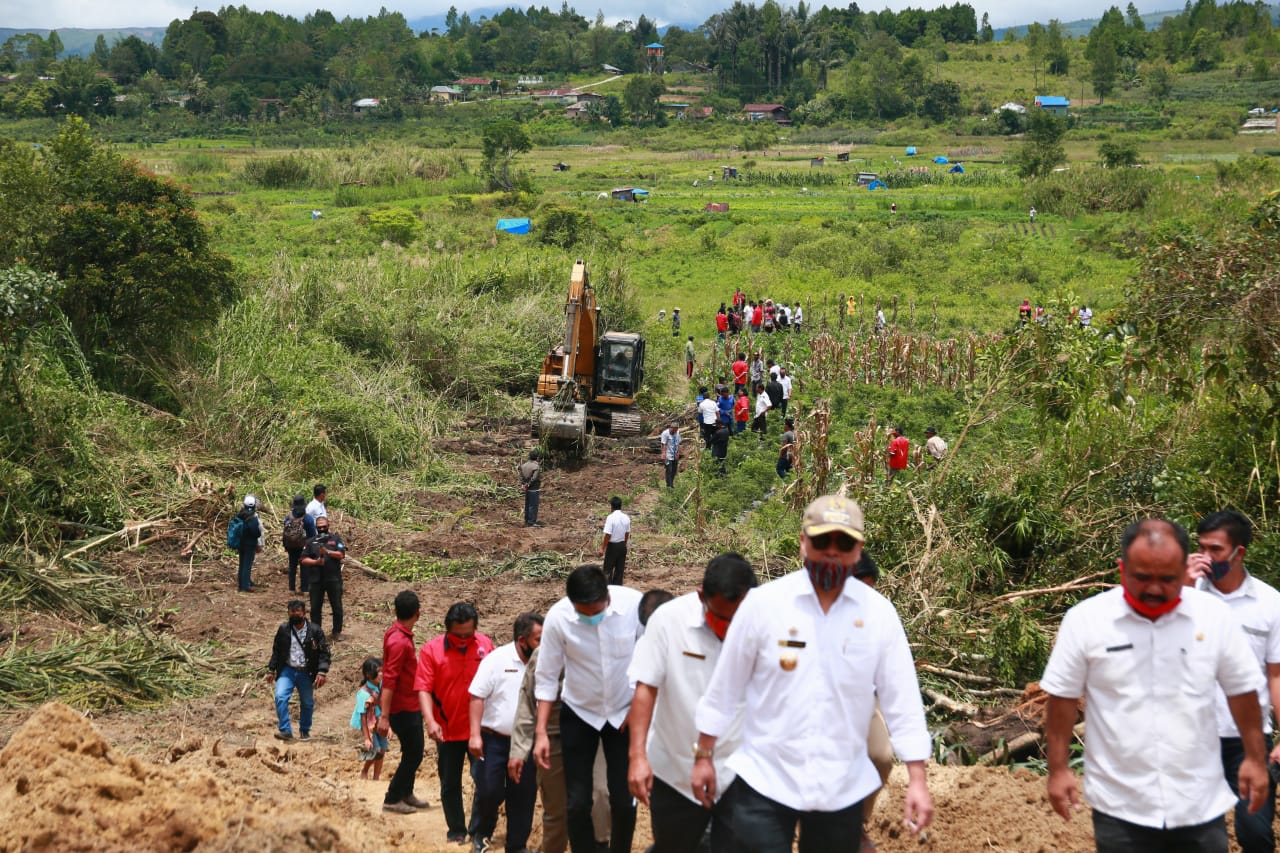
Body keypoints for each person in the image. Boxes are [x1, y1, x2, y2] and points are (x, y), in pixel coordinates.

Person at [692, 495, 933, 851]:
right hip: (765, 780)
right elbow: (724, 688)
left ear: (858, 548)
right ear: (804, 542)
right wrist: (704, 756)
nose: (832, 551)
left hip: (842, 786)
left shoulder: (880, 616)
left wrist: (917, 778)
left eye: (844, 542)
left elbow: (903, 701)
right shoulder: (763, 606)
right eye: (822, 541)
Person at [1041, 518, 1269, 852]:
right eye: (1142, 577)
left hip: (1199, 802)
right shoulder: (1086, 620)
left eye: (1167, 579)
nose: (1154, 589)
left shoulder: (1214, 617)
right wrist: (1058, 769)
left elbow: (1242, 691)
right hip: (1120, 805)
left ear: (1185, 570)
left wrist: (1254, 757)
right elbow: (1062, 698)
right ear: (1122, 568)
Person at [628, 554, 758, 853]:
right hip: (675, 770)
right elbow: (645, 687)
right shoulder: (668, 621)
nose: (727, 629)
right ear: (701, 596)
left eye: (736, 620)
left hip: (739, 769)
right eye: (719, 618)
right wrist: (637, 757)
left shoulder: (766, 621)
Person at [1185, 510, 1280, 853]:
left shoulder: (1269, 603)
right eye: (1200, 548)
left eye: (1215, 550)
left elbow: (1276, 675)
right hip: (1193, 737)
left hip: (1249, 740)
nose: (1206, 558)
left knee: (1254, 832)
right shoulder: (1184, 595)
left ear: (1239, 553)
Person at [535, 566, 644, 853]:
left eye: (596, 610)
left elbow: (651, 664)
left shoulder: (634, 606)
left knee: (623, 799)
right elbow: (546, 677)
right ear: (572, 604)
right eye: (584, 613)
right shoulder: (559, 618)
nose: (591, 617)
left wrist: (639, 709)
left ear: (608, 596)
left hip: (624, 713)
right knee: (577, 802)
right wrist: (541, 733)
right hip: (580, 713)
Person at [511, 642, 612, 853]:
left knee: (600, 798)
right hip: (554, 736)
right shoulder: (544, 654)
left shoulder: (606, 646)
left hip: (595, 735)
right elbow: (527, 703)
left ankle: (599, 846)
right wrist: (519, 751)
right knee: (558, 814)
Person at [416, 602, 494, 845]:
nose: (463, 639)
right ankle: (456, 830)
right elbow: (423, 689)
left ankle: (479, 830)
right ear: (447, 629)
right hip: (446, 729)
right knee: (450, 782)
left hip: (480, 730)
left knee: (486, 781)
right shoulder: (431, 650)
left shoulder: (485, 646)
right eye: (457, 635)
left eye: (468, 634)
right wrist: (430, 721)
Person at [469, 613, 544, 853]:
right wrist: (475, 734)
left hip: (527, 741)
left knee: (524, 793)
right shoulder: (496, 660)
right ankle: (481, 833)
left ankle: (517, 844)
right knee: (490, 789)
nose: (543, 645)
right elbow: (477, 697)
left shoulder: (546, 663)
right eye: (538, 640)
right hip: (493, 740)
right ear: (522, 641)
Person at [379, 590, 432, 815]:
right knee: (414, 753)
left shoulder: (395, 633)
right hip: (403, 706)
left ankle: (406, 793)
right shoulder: (400, 642)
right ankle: (392, 797)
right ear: (418, 613)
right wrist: (384, 716)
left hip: (407, 703)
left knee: (412, 750)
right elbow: (390, 680)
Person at [266, 599, 330, 742]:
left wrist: (322, 672)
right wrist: (271, 669)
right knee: (280, 696)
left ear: (304, 613)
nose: (295, 614)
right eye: (292, 612)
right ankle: (285, 730)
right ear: (288, 614)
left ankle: (305, 730)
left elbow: (324, 652)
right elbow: (276, 650)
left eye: (297, 611)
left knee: (307, 702)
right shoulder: (283, 630)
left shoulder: (315, 630)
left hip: (306, 672)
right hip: (287, 670)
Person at [302, 515, 347, 642]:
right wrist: (316, 562)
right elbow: (303, 559)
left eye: (324, 526)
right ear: (316, 528)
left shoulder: (335, 539)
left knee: (337, 606)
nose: (322, 529)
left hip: (333, 579)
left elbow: (341, 554)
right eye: (319, 527)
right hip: (316, 580)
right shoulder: (310, 542)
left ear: (328, 526)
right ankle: (317, 633)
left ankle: (337, 632)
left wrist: (327, 552)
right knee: (315, 608)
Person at [353, 657, 388, 779]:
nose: (381, 674)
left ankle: (376, 777)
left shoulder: (381, 686)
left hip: (380, 722)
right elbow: (363, 717)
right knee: (376, 750)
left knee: (382, 749)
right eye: (378, 672)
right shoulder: (363, 693)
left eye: (381, 671)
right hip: (369, 725)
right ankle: (365, 771)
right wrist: (367, 738)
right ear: (368, 675)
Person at [282, 494, 317, 594]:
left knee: (292, 566)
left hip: (291, 546)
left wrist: (285, 545)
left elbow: (284, 533)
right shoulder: (308, 518)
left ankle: (291, 588)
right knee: (304, 567)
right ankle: (304, 589)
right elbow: (312, 535)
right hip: (304, 546)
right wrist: (311, 547)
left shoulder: (288, 517)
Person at [234, 495, 263, 593]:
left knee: (242, 563)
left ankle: (242, 583)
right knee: (247, 564)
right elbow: (257, 532)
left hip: (241, 542)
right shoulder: (253, 517)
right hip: (250, 544)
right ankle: (245, 586)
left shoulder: (240, 514)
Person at [601, 497, 631, 586]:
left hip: (612, 546)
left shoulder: (610, 517)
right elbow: (627, 533)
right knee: (619, 570)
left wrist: (602, 548)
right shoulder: (626, 517)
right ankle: (618, 589)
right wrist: (624, 544)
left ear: (612, 506)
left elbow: (608, 535)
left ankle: (608, 589)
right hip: (622, 546)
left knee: (607, 570)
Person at [519, 450, 543, 528]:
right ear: (537, 458)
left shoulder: (524, 465)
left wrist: (523, 484)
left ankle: (527, 520)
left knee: (527, 504)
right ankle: (532, 522)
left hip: (527, 489)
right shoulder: (536, 466)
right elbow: (534, 478)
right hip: (533, 489)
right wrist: (528, 484)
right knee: (533, 505)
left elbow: (521, 476)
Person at [660, 423, 682, 489]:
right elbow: (663, 444)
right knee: (668, 470)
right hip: (668, 455)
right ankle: (668, 486)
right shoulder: (665, 433)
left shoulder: (677, 433)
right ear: (671, 427)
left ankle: (671, 484)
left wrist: (678, 452)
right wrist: (663, 454)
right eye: (674, 429)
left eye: (676, 429)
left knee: (674, 470)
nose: (674, 431)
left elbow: (678, 443)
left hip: (674, 454)